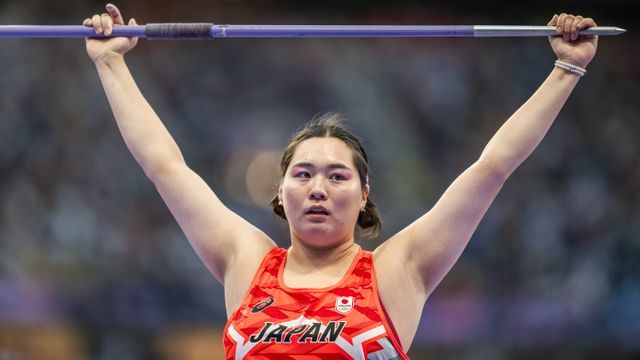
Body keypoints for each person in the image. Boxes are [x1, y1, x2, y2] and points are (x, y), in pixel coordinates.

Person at [83, 4, 598, 359]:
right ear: (281, 191)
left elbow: (491, 167)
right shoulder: (247, 262)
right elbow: (166, 167)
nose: (318, 188)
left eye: (336, 175)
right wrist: (111, 64)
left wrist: (565, 70)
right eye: (302, 174)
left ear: (364, 192)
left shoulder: (400, 269)